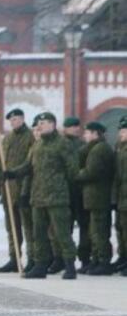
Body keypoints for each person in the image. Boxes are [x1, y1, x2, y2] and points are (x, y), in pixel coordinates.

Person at [4, 112, 79, 279]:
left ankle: (69, 265)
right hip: (38, 197)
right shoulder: (37, 146)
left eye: (43, 123)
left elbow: (72, 170)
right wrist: (11, 174)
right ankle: (40, 266)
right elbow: (27, 166)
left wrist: (63, 187)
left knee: (62, 233)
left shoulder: (63, 144)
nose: (39, 126)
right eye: (38, 123)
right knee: (38, 234)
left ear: (53, 124)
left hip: (57, 197)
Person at [0, 109, 34, 273]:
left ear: (23, 119)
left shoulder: (30, 137)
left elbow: (30, 166)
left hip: (23, 189)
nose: (13, 122)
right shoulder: (7, 138)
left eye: (16, 119)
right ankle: (14, 258)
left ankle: (33, 259)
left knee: (28, 227)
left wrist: (25, 190)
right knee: (12, 228)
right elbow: (0, 164)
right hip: (8, 191)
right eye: (11, 120)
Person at [75, 121, 115, 275]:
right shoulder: (95, 148)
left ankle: (104, 261)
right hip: (94, 197)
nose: (85, 135)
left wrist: (75, 175)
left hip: (99, 196)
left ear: (95, 134)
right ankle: (96, 260)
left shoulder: (99, 150)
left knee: (99, 231)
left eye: (87, 133)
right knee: (94, 231)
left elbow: (91, 172)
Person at [62, 117, 89, 273]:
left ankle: (85, 258)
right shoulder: (61, 144)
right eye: (72, 127)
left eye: (77, 127)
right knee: (65, 228)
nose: (75, 129)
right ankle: (64, 259)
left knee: (84, 227)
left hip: (80, 192)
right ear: (65, 128)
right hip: (65, 191)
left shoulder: (82, 145)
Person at [113, 116, 127, 276]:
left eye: (124, 131)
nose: (121, 134)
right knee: (121, 228)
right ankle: (123, 257)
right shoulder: (119, 147)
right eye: (120, 131)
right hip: (121, 196)